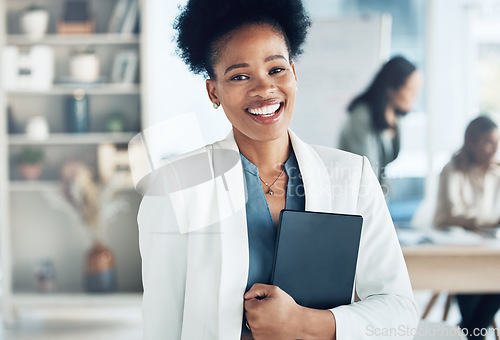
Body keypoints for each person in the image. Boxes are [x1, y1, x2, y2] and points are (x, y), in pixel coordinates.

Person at [137, 0, 418, 339]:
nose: (264, 89)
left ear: (294, 73)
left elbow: (399, 310)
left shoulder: (351, 175)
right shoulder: (176, 186)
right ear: (213, 91)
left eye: (276, 69)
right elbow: (162, 324)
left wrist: (303, 323)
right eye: (240, 76)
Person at [434, 116, 500, 339]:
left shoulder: (494, 173)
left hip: (482, 245)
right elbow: (453, 213)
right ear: (470, 141)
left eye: (498, 143)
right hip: (451, 247)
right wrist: (492, 220)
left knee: (494, 277)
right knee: (470, 276)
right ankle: (473, 331)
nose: (495, 149)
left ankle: (470, 330)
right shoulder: (451, 170)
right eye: (489, 142)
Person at [338, 56, 422, 183]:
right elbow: (367, 172)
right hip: (355, 193)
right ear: (391, 89)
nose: (415, 97)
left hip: (375, 195)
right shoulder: (361, 116)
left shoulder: (395, 117)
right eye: (411, 90)